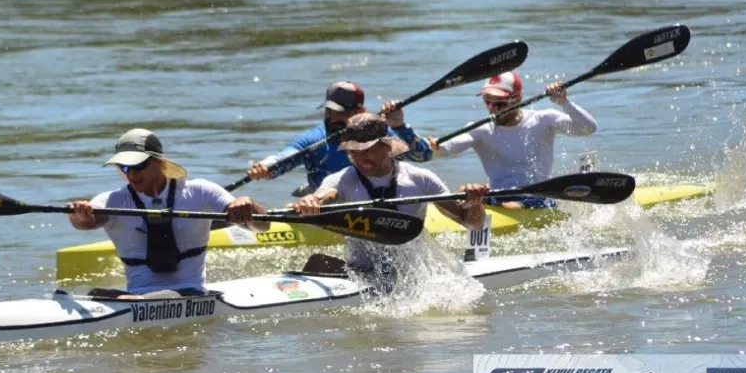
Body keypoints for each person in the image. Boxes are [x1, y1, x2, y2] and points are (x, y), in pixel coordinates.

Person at [69, 128, 268, 298]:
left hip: (190, 293)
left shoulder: (201, 191)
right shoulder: (112, 200)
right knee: (89, 293)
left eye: (138, 166)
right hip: (136, 296)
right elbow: (85, 223)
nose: (130, 174)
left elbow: (262, 225)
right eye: (124, 167)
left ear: (160, 162)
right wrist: (79, 215)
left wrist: (247, 205)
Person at [291, 113, 489, 276]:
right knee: (317, 262)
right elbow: (325, 194)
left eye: (366, 150)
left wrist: (474, 204)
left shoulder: (420, 179)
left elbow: (473, 224)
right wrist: (312, 201)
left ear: (386, 146)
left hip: (411, 274)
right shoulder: (342, 180)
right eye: (353, 152)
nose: (360, 158)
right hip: (361, 272)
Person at [414, 71, 597, 209]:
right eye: (488, 102)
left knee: (511, 205)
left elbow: (588, 128)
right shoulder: (481, 129)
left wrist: (564, 102)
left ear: (517, 99)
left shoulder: (543, 120)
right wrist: (431, 145)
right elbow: (445, 148)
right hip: (498, 197)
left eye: (499, 103)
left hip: (537, 198)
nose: (493, 108)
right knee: (464, 190)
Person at [246, 80, 434, 195]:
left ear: (360, 111)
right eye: (329, 112)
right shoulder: (313, 139)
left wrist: (399, 126)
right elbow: (285, 156)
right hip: (326, 204)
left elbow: (423, 156)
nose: (333, 119)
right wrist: (265, 167)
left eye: (341, 113)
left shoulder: (380, 134)